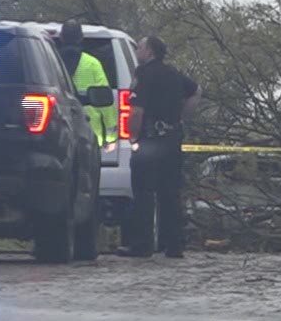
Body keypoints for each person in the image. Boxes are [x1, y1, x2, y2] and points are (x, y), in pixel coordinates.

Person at [120, 35, 198, 258]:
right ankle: (173, 245)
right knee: (170, 193)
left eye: (140, 47)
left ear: (150, 51)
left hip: (150, 140)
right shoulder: (173, 73)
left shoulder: (143, 74)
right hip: (172, 139)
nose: (137, 52)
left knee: (144, 192)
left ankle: (142, 245)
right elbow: (196, 91)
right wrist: (183, 118)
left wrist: (133, 137)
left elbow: (136, 111)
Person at [55, 21, 115, 146]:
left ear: (61, 37)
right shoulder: (92, 64)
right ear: (81, 38)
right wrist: (110, 135)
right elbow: (104, 100)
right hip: (89, 134)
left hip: (56, 133)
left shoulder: (50, 63)